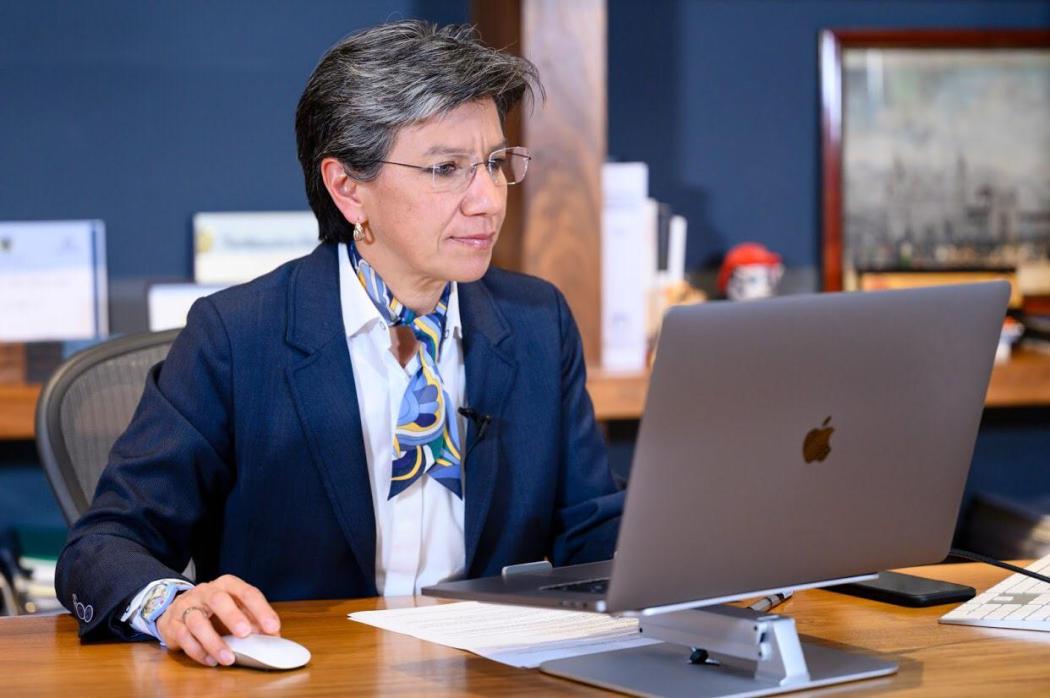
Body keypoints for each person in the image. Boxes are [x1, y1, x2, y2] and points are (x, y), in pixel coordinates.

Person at [55, 20, 623, 668]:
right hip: (309, 674)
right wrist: (174, 604)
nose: (487, 199)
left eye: (495, 164)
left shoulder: (535, 321)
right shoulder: (238, 337)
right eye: (447, 169)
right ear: (348, 187)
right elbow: (103, 547)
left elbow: (595, 532)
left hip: (491, 676)